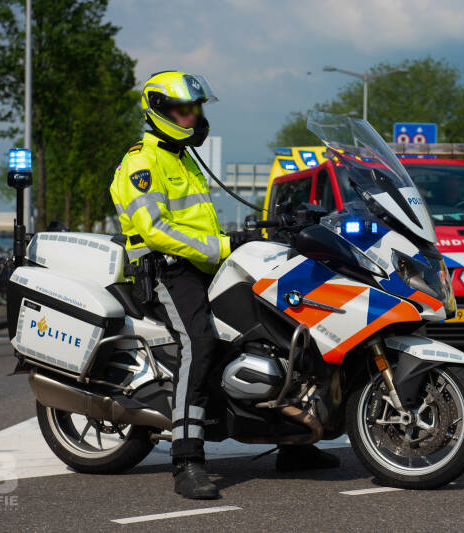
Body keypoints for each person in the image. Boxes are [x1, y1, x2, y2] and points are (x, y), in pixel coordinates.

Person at [109, 71, 338, 500]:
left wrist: (266, 229)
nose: (193, 117)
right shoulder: (141, 162)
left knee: (276, 330)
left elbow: (200, 223)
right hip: (167, 272)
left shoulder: (182, 158)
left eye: (197, 109)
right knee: (201, 343)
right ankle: (187, 459)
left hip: (203, 265)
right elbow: (156, 230)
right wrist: (224, 245)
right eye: (184, 110)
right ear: (158, 111)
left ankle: (294, 442)